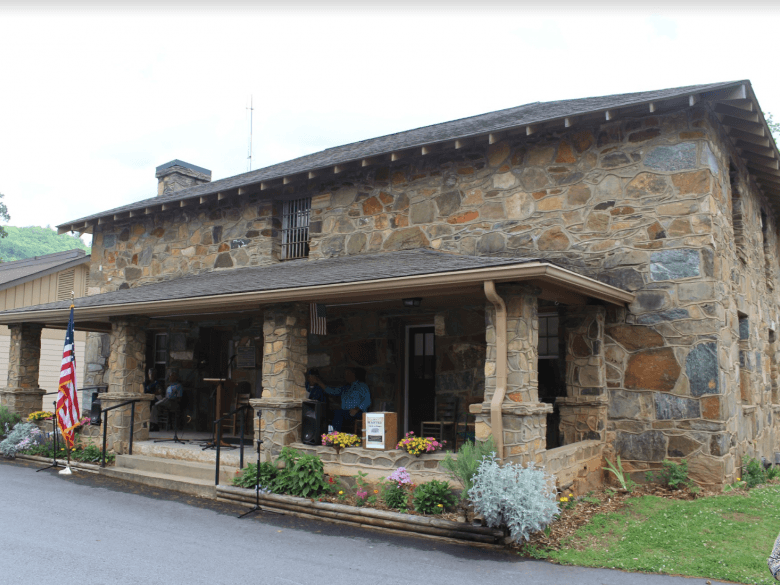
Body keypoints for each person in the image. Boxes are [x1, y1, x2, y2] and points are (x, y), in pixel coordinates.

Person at [310, 368, 370, 432]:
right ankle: (322, 434)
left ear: (354, 375)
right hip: (346, 412)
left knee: (338, 414)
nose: (345, 376)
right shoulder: (346, 387)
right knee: (326, 412)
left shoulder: (362, 386)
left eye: (348, 374)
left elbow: (367, 401)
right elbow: (332, 391)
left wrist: (356, 409)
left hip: (358, 412)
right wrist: (319, 382)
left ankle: (335, 435)